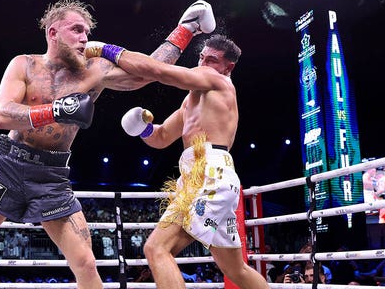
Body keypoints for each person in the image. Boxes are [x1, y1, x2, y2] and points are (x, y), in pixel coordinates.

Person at [0, 0, 215, 289]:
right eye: (76, 30)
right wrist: (54, 111)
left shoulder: (94, 70)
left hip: (52, 176)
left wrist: (186, 29)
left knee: (86, 264)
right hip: (7, 166)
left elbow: (147, 72)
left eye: (86, 32)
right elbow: (2, 115)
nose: (85, 38)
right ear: (53, 33)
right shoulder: (24, 65)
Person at [84, 35, 268, 289]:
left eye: (211, 60)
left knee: (157, 249)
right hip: (202, 174)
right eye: (202, 57)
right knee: (235, 268)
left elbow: (159, 70)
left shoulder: (218, 81)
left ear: (228, 67)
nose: (203, 63)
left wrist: (106, 50)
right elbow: (161, 137)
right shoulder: (192, 99)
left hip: (209, 173)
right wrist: (142, 128)